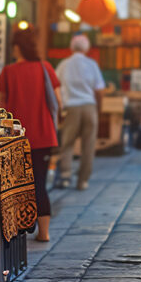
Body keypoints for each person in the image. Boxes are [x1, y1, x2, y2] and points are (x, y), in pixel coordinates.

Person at [0, 27, 61, 242]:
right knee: (40, 183)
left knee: (17, 187)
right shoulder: (46, 68)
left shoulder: (9, 71)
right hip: (43, 135)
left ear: (16, 47)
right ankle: (44, 233)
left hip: (16, 139)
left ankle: (17, 231)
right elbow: (58, 101)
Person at [55, 35, 105, 191]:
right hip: (89, 106)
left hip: (71, 107)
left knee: (67, 143)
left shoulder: (64, 65)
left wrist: (58, 108)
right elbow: (99, 90)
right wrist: (99, 108)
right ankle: (83, 181)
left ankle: (65, 175)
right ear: (86, 48)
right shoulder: (91, 64)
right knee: (88, 145)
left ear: (72, 47)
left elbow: (55, 86)